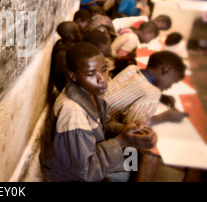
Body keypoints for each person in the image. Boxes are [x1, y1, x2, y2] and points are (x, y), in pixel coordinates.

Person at [40, 42, 157, 182]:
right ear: (73, 76)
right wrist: (122, 141)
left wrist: (125, 129)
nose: (102, 79)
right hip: (69, 176)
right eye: (91, 74)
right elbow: (87, 169)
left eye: (104, 69)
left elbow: (103, 121)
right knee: (131, 167)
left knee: (134, 159)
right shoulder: (73, 111)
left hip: (88, 162)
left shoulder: (90, 91)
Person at [105, 51, 189, 126]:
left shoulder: (132, 69)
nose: (170, 86)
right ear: (167, 69)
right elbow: (134, 126)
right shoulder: (153, 93)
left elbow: (132, 89)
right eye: (173, 81)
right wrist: (165, 117)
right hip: (101, 126)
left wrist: (161, 97)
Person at [49, 22, 82, 96]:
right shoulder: (62, 56)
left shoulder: (65, 46)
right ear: (72, 36)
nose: (80, 34)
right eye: (78, 32)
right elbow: (66, 80)